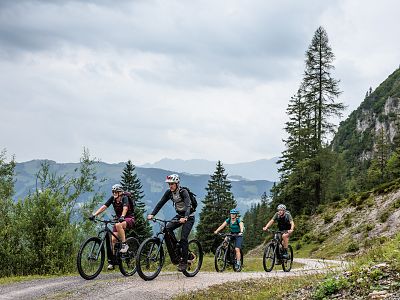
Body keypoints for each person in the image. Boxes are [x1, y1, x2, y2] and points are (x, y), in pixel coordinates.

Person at [147, 174, 195, 272]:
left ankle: (184, 262)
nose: (170, 186)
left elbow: (188, 205)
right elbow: (160, 203)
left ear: (177, 183)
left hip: (189, 217)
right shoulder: (169, 192)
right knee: (166, 229)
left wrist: (185, 217)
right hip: (179, 216)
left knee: (183, 238)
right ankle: (176, 252)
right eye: (169, 184)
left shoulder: (183, 191)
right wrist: (152, 214)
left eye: (172, 184)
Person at [89, 183, 135, 270]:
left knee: (118, 225)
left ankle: (124, 245)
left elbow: (125, 208)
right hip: (120, 220)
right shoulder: (113, 199)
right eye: (113, 191)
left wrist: (122, 216)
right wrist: (94, 215)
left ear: (120, 192)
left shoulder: (125, 198)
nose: (114, 193)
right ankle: (113, 261)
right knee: (113, 240)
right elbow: (104, 207)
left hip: (129, 218)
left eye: (115, 192)